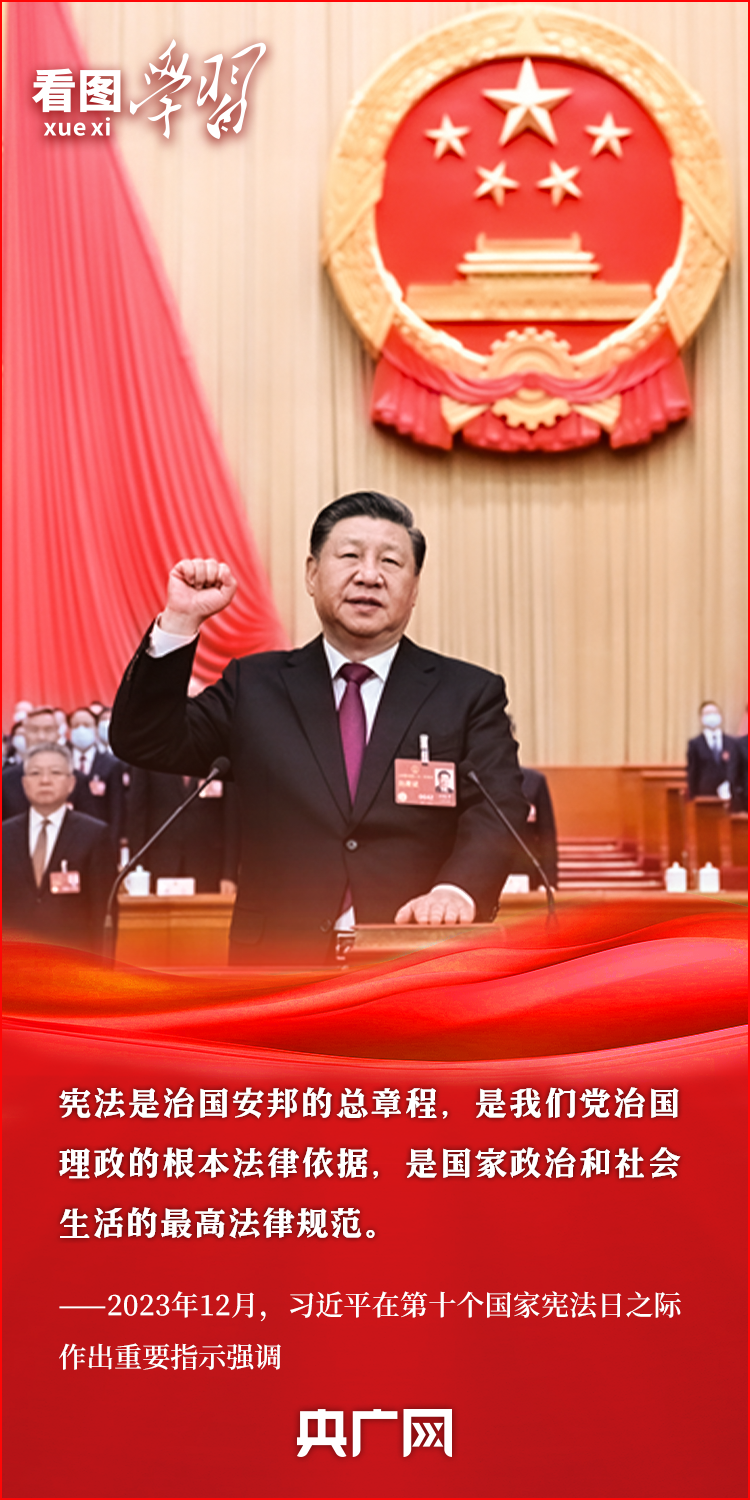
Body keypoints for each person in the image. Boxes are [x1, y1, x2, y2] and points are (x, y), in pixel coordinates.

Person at [111, 491, 527, 961]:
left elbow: (499, 805)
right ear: (312, 574)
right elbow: (145, 740)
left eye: (390, 561)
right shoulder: (254, 685)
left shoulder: (467, 693)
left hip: (413, 958)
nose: (368, 575)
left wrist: (457, 889)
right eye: (349, 556)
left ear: (414, 589)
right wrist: (180, 621)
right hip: (277, 962)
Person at [3, 743, 116, 952]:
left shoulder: (94, 835)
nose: (45, 780)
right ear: (24, 783)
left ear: (71, 783)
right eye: (35, 773)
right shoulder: (5, 835)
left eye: (55, 772)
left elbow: (103, 910)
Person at [67, 705, 127, 841]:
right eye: (76, 725)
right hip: (68, 837)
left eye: (86, 725)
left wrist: (113, 840)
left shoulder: (111, 764)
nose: (81, 730)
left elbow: (116, 808)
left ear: (95, 728)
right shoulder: (61, 763)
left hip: (100, 836)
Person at [3, 706, 61, 818]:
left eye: (48, 730)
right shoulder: (5, 781)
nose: (41, 737)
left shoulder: (76, 779)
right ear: (24, 735)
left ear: (58, 734)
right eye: (34, 730)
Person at [686, 701, 740, 802]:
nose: (712, 716)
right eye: (708, 713)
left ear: (720, 716)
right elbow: (692, 772)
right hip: (704, 795)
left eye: (715, 712)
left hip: (729, 796)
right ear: (701, 718)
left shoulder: (732, 743)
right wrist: (693, 797)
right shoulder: (695, 744)